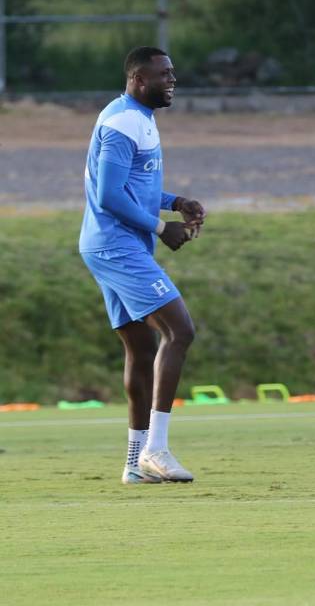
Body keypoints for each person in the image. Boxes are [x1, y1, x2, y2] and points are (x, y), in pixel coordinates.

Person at [79, 46, 207, 484]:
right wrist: (160, 226)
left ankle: (135, 462)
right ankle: (157, 448)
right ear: (138, 80)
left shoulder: (136, 116)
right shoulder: (123, 121)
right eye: (164, 75)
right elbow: (108, 195)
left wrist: (176, 202)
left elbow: (134, 181)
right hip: (117, 246)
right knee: (180, 330)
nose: (172, 81)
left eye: (172, 73)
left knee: (142, 348)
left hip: (108, 246)